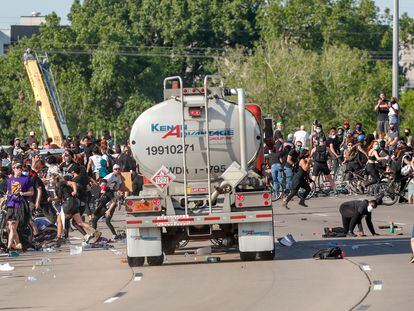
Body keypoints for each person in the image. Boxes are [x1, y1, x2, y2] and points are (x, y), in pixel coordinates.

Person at [5, 162, 34, 251]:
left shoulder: (26, 179)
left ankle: (9, 247)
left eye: (20, 167)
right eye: (17, 168)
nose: (19, 169)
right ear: (13, 169)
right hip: (10, 204)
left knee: (13, 226)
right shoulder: (10, 180)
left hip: (20, 204)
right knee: (11, 227)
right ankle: (18, 246)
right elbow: (8, 192)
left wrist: (23, 193)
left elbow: (32, 192)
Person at [92, 164, 123, 239]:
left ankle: (114, 235)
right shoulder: (109, 177)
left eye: (118, 169)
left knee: (107, 221)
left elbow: (113, 201)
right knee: (94, 220)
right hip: (103, 206)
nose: (117, 170)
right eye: (116, 169)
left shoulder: (109, 190)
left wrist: (109, 210)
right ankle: (95, 235)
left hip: (109, 205)